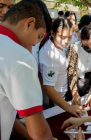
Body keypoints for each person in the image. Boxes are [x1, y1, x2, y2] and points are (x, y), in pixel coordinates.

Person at [0, 0, 54, 139]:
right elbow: (40, 134)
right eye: (39, 36)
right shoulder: (20, 56)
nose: (36, 43)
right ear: (29, 23)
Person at [39, 18, 84, 117]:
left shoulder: (58, 45)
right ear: (53, 33)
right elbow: (48, 88)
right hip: (53, 97)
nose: (66, 41)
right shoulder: (51, 54)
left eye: (69, 37)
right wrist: (68, 107)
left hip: (60, 92)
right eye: (62, 37)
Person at [66, 25, 91, 109]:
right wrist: (75, 93)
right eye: (86, 45)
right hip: (75, 83)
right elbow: (71, 72)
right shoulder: (74, 48)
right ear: (81, 39)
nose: (90, 48)